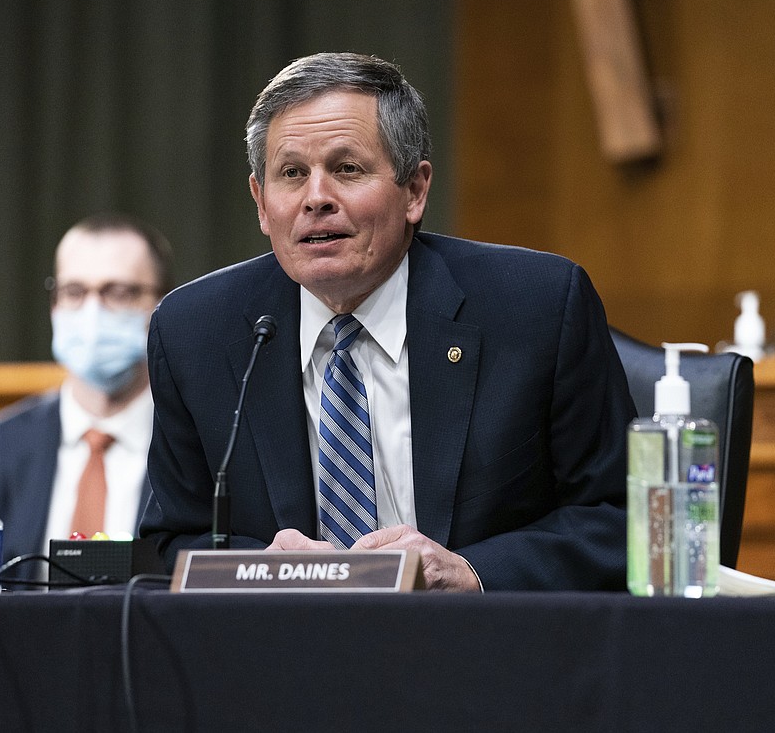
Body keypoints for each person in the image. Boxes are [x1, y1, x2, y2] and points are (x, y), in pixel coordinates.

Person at [139, 52, 635, 591]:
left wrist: (472, 572)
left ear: (415, 190)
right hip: (285, 656)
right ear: (261, 203)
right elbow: (171, 540)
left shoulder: (536, 308)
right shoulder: (197, 332)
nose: (317, 198)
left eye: (347, 169)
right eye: (292, 174)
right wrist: (266, 569)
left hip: (482, 652)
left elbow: (624, 520)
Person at [0, 215, 174, 584]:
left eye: (118, 293)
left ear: (162, 304)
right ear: (55, 304)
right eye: (74, 292)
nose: (92, 312)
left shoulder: (199, 448)